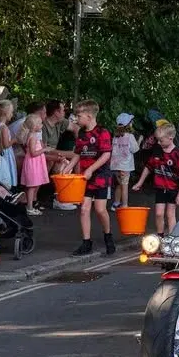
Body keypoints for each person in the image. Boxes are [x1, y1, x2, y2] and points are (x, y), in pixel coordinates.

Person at [65, 100, 115, 256]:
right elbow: (78, 153)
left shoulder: (103, 132)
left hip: (100, 176)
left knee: (100, 210)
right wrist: (67, 168)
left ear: (88, 116)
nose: (76, 119)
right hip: (85, 177)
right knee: (84, 209)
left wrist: (92, 169)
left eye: (78, 116)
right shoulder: (81, 133)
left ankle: (108, 236)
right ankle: (86, 242)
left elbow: (106, 154)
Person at [133, 122, 179, 237]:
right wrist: (140, 182)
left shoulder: (177, 154)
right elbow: (148, 167)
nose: (158, 142)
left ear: (170, 138)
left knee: (170, 214)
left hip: (173, 188)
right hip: (160, 188)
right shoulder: (157, 151)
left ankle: (172, 237)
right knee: (158, 213)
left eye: (161, 140)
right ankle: (160, 236)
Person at [18, 114, 49, 216]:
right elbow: (33, 153)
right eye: (40, 124)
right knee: (32, 186)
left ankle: (30, 205)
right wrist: (44, 149)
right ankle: (29, 207)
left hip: (35, 162)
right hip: (33, 162)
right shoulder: (33, 137)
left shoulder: (32, 135)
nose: (42, 125)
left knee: (33, 185)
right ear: (34, 126)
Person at [110, 113, 140, 210]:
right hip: (125, 166)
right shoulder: (130, 136)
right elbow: (135, 149)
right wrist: (139, 140)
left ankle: (116, 203)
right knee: (125, 186)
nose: (132, 123)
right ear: (128, 124)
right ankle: (124, 205)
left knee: (119, 184)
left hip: (115, 166)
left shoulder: (115, 137)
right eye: (131, 121)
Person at [0, 99, 18, 188]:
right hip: (6, 154)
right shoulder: (4, 128)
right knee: (7, 171)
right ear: (6, 113)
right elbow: (6, 145)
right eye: (11, 112)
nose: (12, 114)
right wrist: (15, 140)